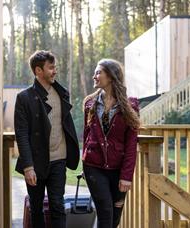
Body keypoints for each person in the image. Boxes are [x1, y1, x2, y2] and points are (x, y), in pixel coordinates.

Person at [14, 50, 80, 228]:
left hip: (59, 159)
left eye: (55, 67)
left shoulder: (61, 93)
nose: (55, 71)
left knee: (58, 206)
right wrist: (28, 167)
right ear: (38, 71)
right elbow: (21, 134)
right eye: (51, 68)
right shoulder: (24, 98)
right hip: (35, 162)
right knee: (36, 209)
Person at [82, 59, 140, 228]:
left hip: (118, 169)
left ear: (111, 76)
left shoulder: (130, 106)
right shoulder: (90, 104)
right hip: (94, 167)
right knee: (105, 212)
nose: (94, 76)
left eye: (98, 72)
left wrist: (126, 176)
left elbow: (131, 144)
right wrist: (84, 161)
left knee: (114, 217)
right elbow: (86, 135)